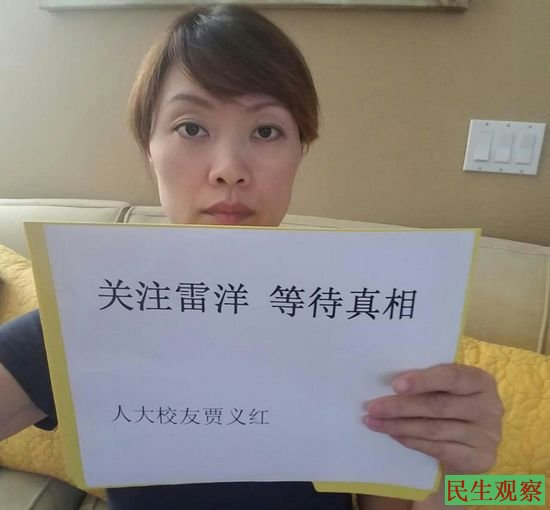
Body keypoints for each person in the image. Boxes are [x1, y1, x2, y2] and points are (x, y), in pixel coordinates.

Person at [0, 4, 503, 510]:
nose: (229, 169)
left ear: (300, 151)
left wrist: (452, 470)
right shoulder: (95, 313)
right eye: (191, 128)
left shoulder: (368, 317)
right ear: (149, 147)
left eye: (265, 131)